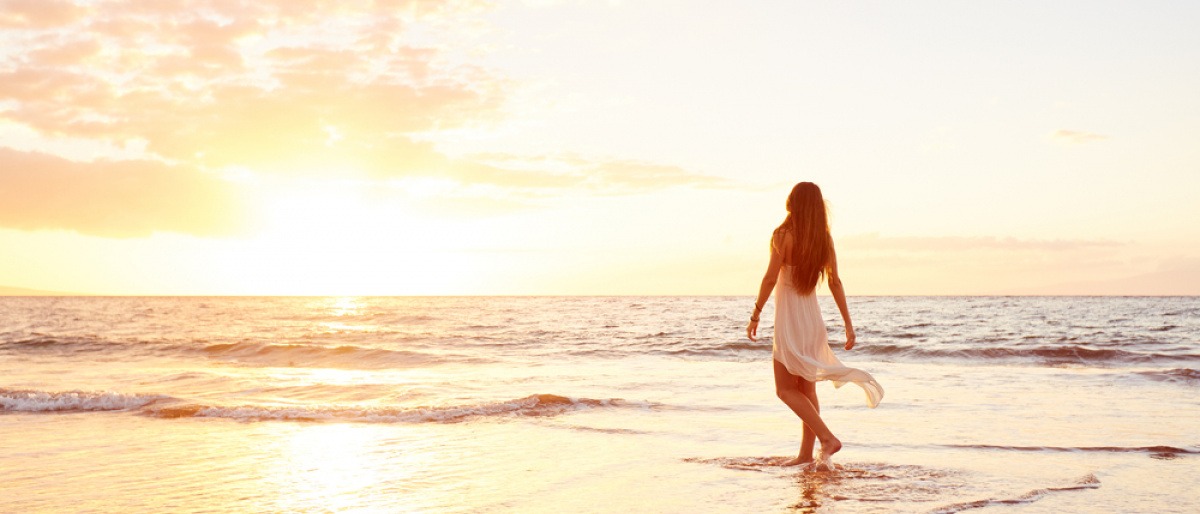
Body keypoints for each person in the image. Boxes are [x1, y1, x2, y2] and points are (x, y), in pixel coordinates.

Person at [746, 182, 883, 469]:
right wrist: (848, 324)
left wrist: (756, 313)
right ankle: (806, 455)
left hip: (790, 321)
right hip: (812, 322)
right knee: (806, 391)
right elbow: (835, 282)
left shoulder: (782, 235)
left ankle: (827, 438)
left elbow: (770, 278)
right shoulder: (823, 239)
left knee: (784, 390)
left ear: (792, 203)